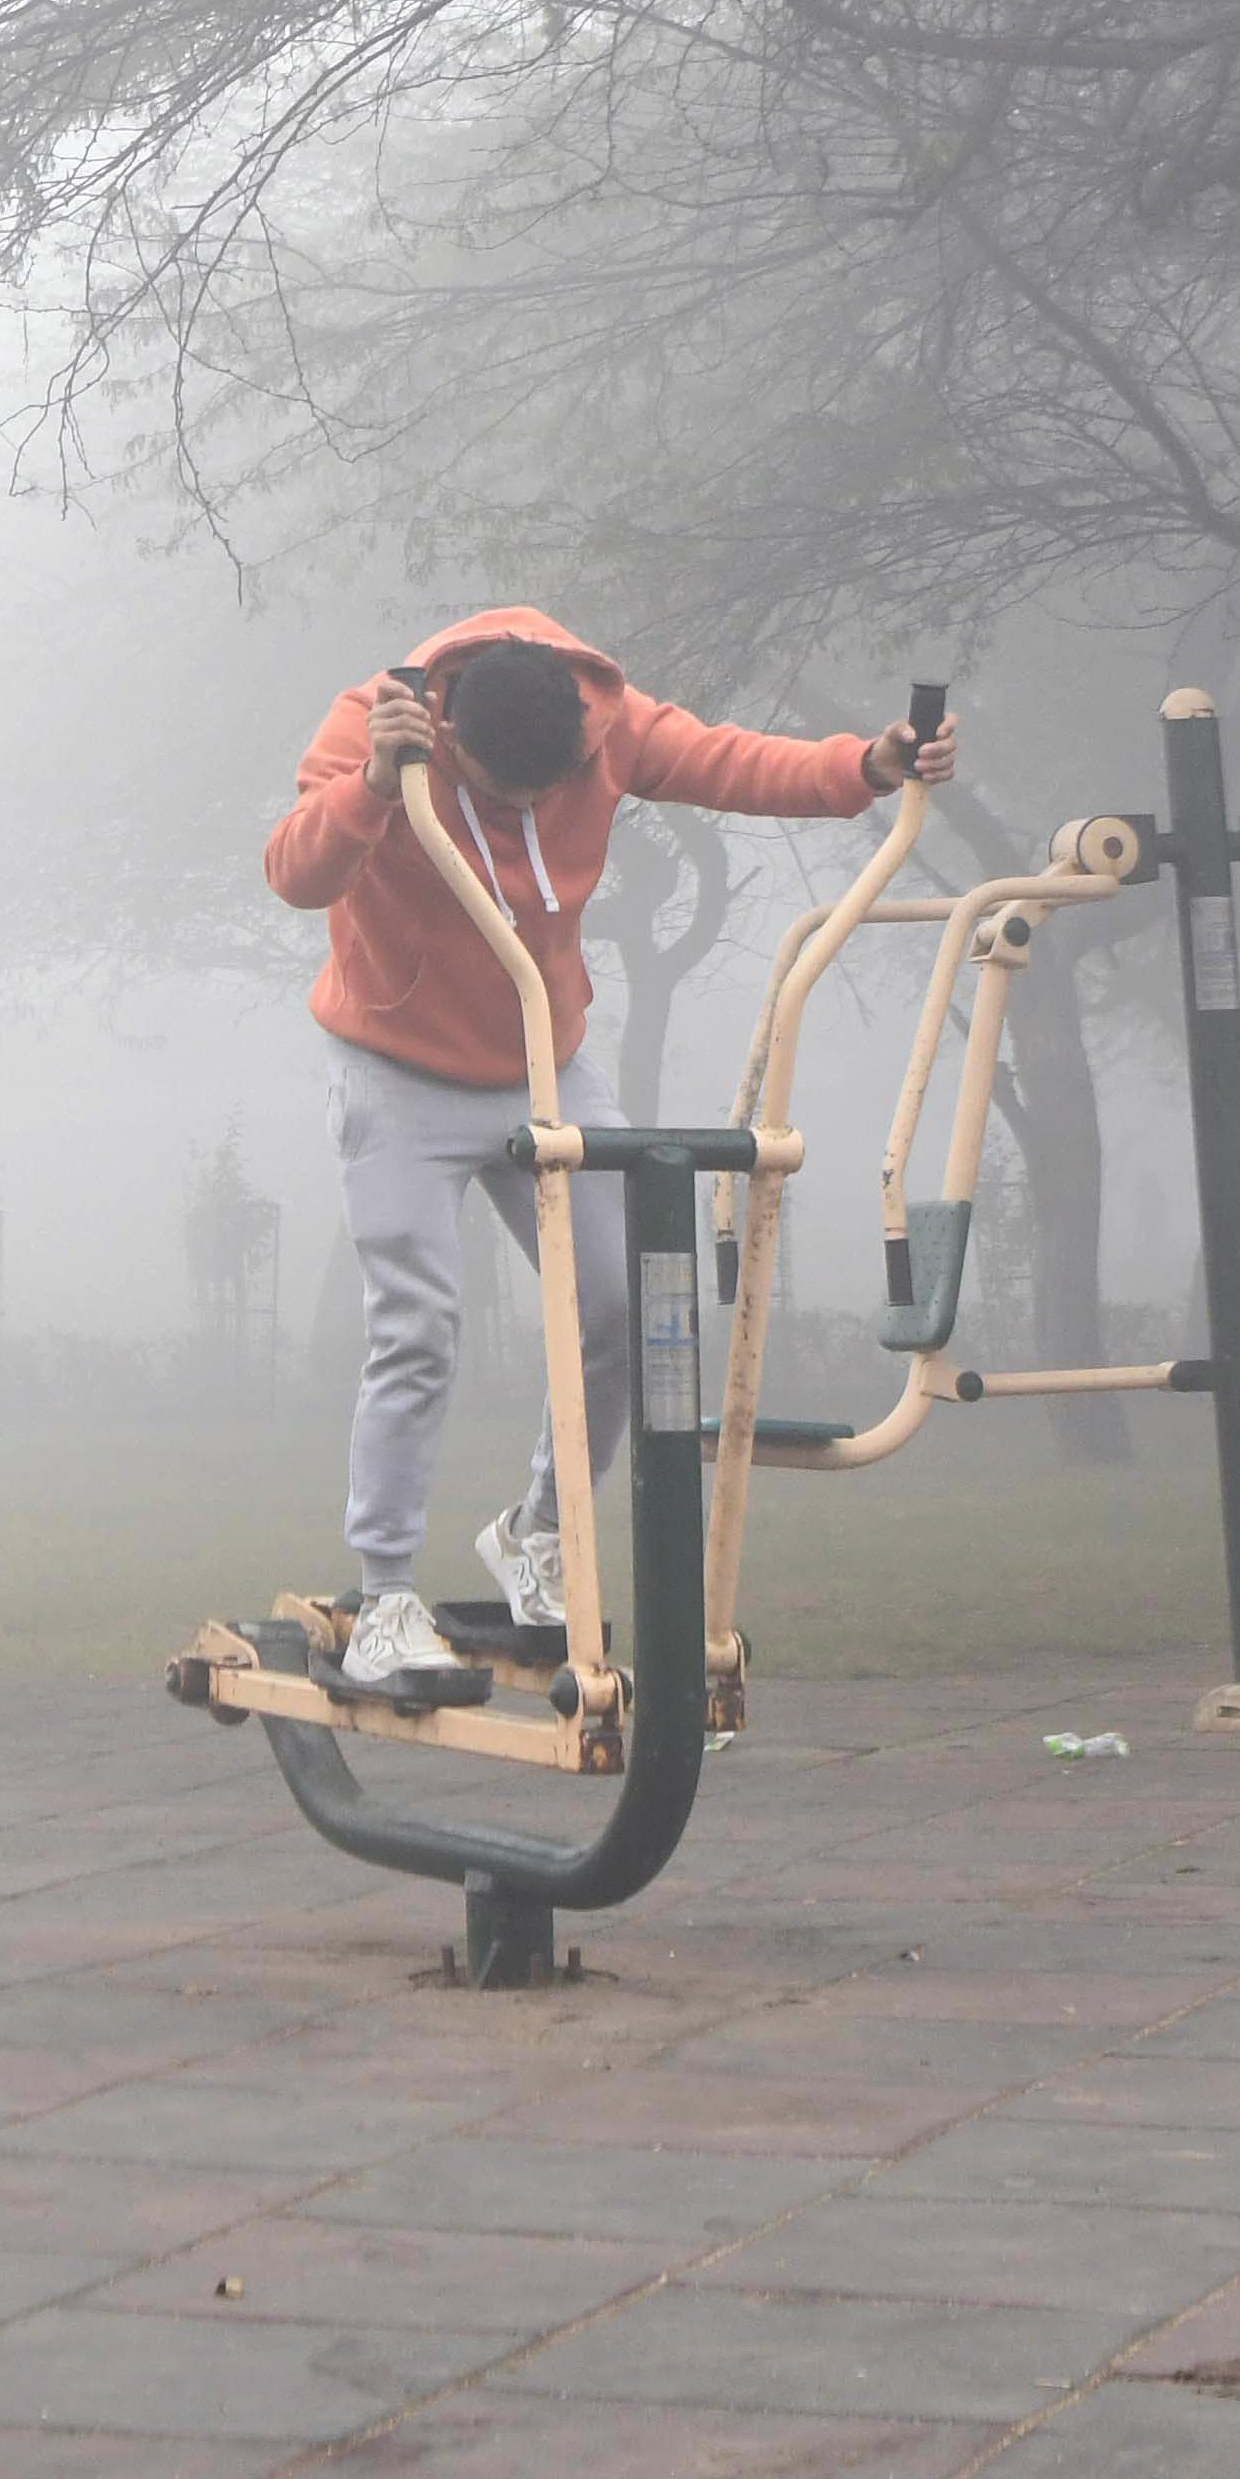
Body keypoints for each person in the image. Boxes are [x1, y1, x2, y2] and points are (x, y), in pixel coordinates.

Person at [264, 614, 953, 1709]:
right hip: (395, 1064)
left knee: (631, 1303)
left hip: (542, 1054)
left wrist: (861, 766)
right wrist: (371, 788)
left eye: (545, 797)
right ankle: (385, 1592)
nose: (527, 817)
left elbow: (728, 759)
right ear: (449, 735)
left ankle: (538, 1529)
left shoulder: (603, 720)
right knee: (419, 1325)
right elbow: (296, 872)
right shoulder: (376, 721)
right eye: (500, 796)